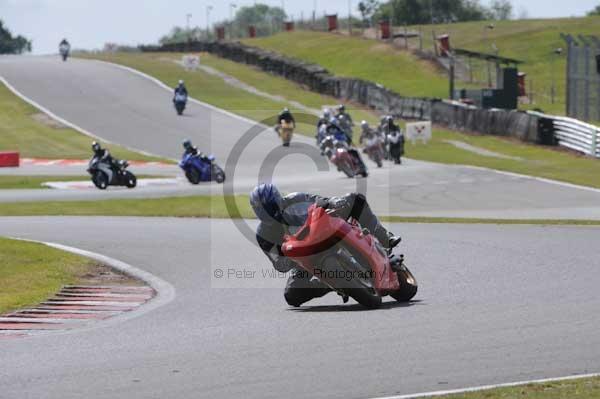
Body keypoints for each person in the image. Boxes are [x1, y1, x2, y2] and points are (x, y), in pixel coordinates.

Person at [250, 184, 402, 307]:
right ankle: (329, 284)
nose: (269, 212)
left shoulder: (295, 199)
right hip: (305, 262)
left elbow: (319, 200)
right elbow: (278, 264)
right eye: (263, 210)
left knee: (356, 199)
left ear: (278, 200)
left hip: (324, 232)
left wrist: (332, 202)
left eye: (270, 207)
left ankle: (384, 237)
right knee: (292, 295)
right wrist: (289, 257)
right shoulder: (263, 235)